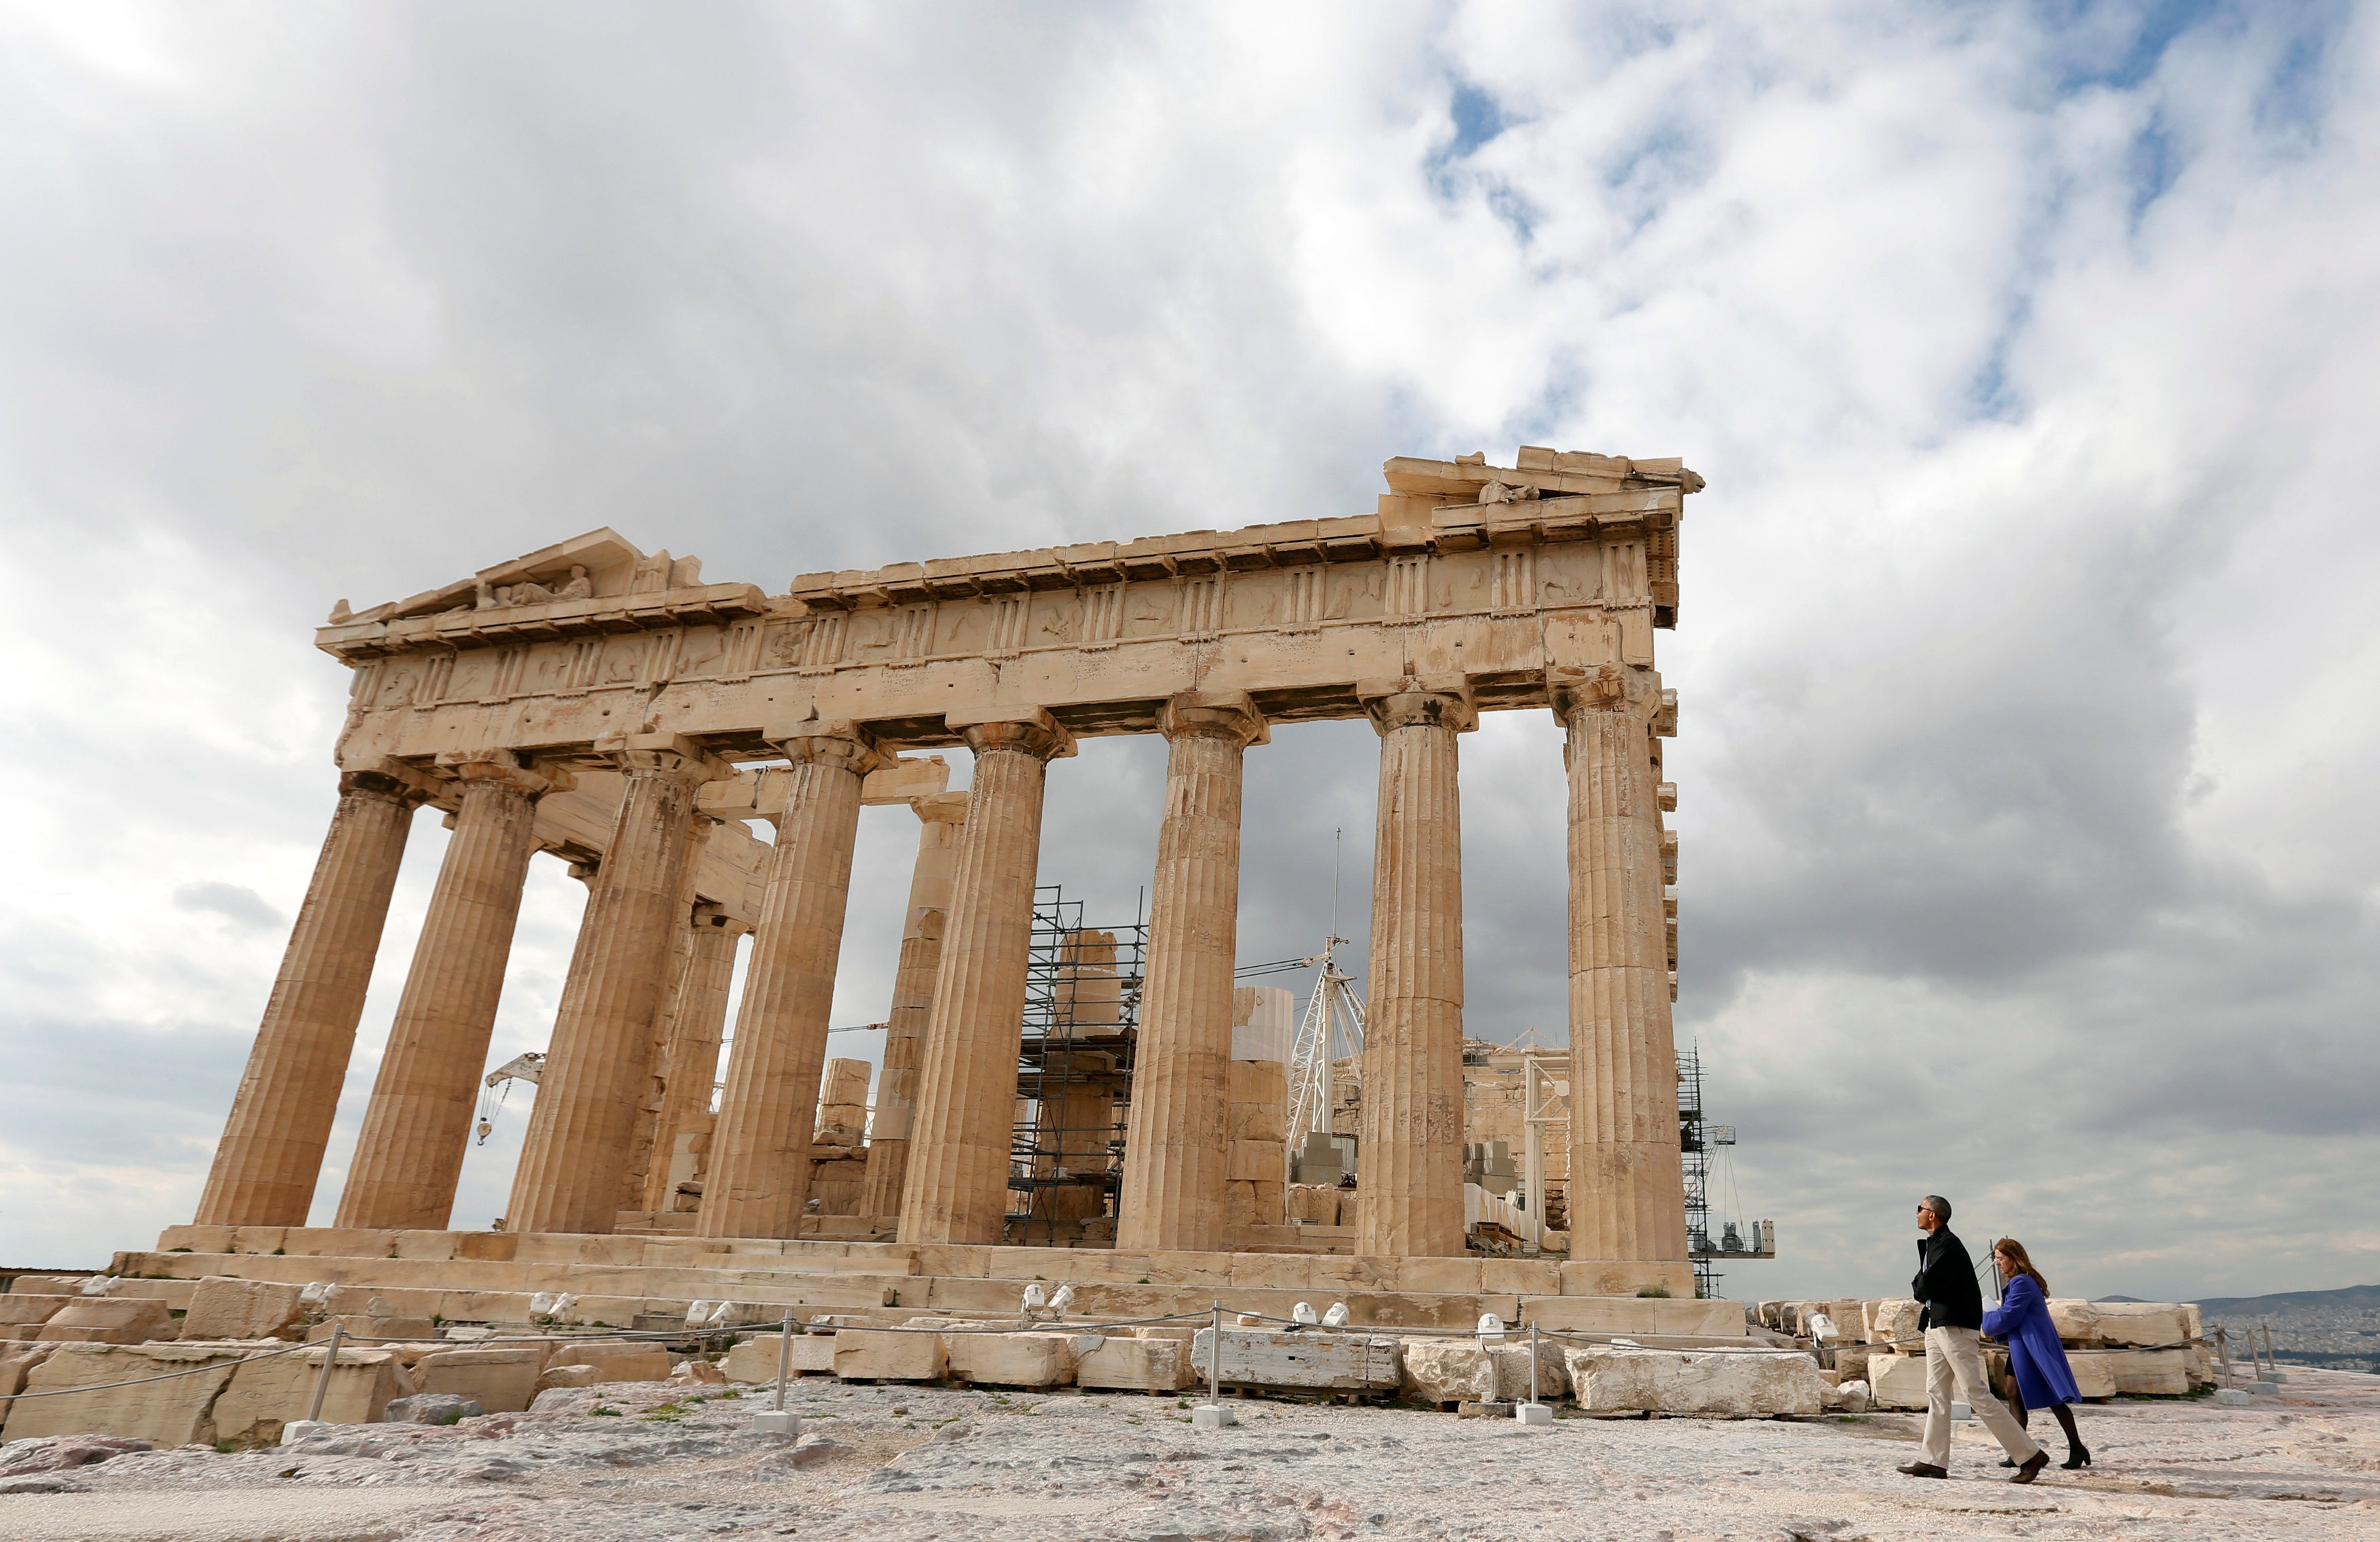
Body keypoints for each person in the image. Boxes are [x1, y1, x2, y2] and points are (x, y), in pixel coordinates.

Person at [1895, 1195, 2049, 1483]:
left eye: (1920, 1209)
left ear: (1932, 1215)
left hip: (1954, 1327)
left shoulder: (1949, 1245)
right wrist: (1921, 1287)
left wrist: (1920, 1287)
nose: (1915, 1213)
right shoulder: (1934, 1245)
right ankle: (1933, 1461)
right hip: (1936, 1325)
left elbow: (1925, 1284)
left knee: (1975, 1392)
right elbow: (1924, 1283)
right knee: (1937, 1392)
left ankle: (2030, 1455)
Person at [1984, 1238, 2090, 1469]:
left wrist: (1985, 1317)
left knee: (2052, 1398)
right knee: (2013, 1393)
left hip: (2032, 1349)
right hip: (2023, 1347)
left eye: (2000, 1258)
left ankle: (2076, 1447)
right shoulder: (2021, 1282)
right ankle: (2019, 1450)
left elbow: (2010, 1316)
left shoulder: (2022, 1283)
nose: (1998, 1263)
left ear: (2013, 1258)